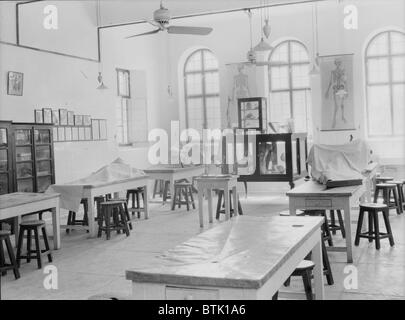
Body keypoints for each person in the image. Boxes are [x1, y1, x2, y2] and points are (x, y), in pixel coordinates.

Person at [325, 58, 348, 128]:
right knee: (336, 106)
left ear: (340, 63)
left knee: (342, 105)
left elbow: (345, 81)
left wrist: (347, 91)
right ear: (335, 63)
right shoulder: (333, 72)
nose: (338, 64)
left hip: (342, 88)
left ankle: (342, 117)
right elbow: (330, 82)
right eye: (337, 63)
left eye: (339, 63)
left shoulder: (342, 71)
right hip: (335, 89)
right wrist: (327, 91)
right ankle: (334, 120)